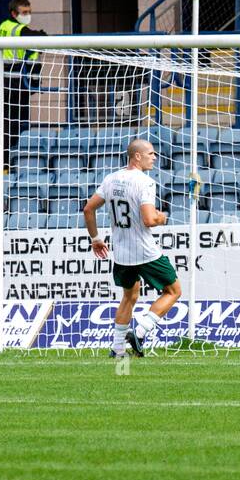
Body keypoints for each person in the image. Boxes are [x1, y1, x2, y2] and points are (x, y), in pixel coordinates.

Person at [83, 138, 181, 358]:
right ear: (137, 156)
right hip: (145, 251)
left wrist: (96, 238)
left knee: (129, 296)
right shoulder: (144, 182)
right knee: (174, 291)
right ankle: (140, 331)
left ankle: (118, 350)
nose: (154, 157)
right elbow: (148, 219)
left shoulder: (111, 179)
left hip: (122, 253)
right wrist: (161, 218)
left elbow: (88, 210)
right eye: (151, 154)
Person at [0, 0, 49, 152]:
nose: (28, 15)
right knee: (17, 122)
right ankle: (12, 157)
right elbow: (38, 37)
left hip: (6, 82)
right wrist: (41, 34)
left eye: (29, 12)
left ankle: (9, 157)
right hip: (16, 83)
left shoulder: (3, 26)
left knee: (8, 122)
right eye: (24, 12)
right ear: (14, 13)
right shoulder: (18, 29)